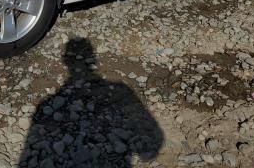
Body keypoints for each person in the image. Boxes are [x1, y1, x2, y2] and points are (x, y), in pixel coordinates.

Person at [18, 38, 163, 167]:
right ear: (93, 60)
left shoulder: (46, 103)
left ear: (65, 60)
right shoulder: (120, 90)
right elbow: (151, 147)